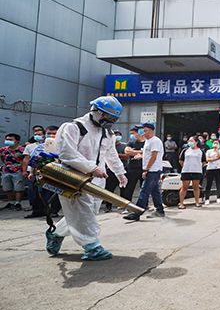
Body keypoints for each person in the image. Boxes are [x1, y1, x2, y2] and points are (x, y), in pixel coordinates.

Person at [45, 97, 128, 260]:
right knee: (83, 213)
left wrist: (120, 173)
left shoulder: (107, 133)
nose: (109, 121)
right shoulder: (73, 127)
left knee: (87, 212)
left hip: (98, 179)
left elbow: (110, 154)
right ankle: (92, 247)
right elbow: (67, 153)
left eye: (113, 119)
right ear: (95, 111)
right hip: (73, 177)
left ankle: (56, 234)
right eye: (107, 117)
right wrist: (91, 167)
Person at [124, 123, 165, 221]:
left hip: (153, 170)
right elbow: (147, 155)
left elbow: (153, 156)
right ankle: (160, 210)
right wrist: (141, 156)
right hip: (151, 170)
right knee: (155, 192)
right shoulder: (148, 141)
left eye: (145, 130)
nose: (143, 132)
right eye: (143, 130)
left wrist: (146, 169)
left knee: (144, 191)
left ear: (151, 131)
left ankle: (136, 213)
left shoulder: (155, 141)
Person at [22, 126, 47, 217]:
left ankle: (47, 209)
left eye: (39, 134)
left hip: (45, 172)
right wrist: (25, 171)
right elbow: (26, 159)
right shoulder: (30, 146)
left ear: (44, 135)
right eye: (35, 134)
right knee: (32, 191)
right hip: (32, 172)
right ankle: (36, 210)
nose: (37, 136)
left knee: (45, 192)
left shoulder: (49, 145)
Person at [103, 130, 128, 212]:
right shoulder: (108, 145)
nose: (117, 136)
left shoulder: (124, 146)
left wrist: (115, 156)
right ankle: (108, 207)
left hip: (122, 170)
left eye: (118, 135)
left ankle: (122, 205)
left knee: (123, 190)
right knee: (109, 189)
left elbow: (126, 156)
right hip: (110, 171)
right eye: (115, 134)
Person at [121, 126, 146, 205]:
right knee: (129, 187)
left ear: (140, 132)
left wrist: (134, 151)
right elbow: (127, 151)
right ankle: (127, 204)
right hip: (132, 168)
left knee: (144, 188)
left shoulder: (147, 142)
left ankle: (144, 204)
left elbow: (150, 153)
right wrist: (142, 152)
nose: (132, 135)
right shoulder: (131, 142)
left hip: (144, 168)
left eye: (133, 133)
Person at [1, 133, 25, 210]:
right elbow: (2, 158)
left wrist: (24, 170)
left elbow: (25, 160)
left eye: (10, 140)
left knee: (18, 188)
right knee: (7, 188)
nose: (8, 141)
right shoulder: (3, 150)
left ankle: (18, 203)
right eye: (7, 139)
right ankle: (11, 202)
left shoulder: (22, 150)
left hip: (18, 171)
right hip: (6, 171)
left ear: (17, 141)